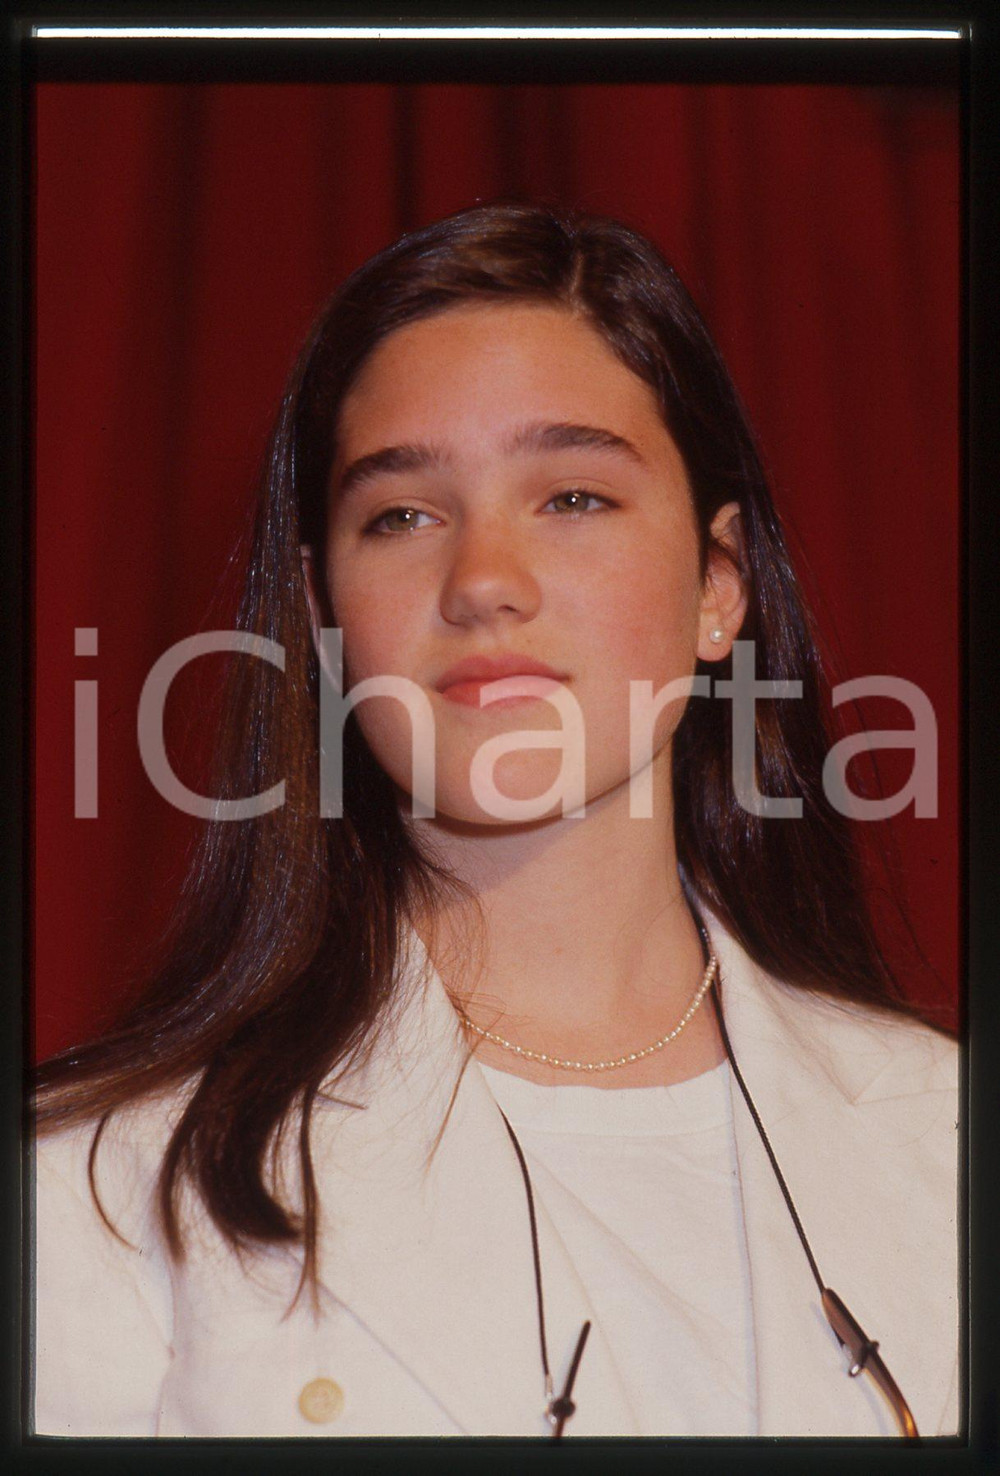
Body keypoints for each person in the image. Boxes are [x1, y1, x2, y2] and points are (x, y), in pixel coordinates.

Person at [32, 202, 958, 1440]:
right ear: (321, 615)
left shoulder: (941, 1135)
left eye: (572, 496)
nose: (480, 582)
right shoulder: (93, 1192)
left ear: (718, 587)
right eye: (401, 515)